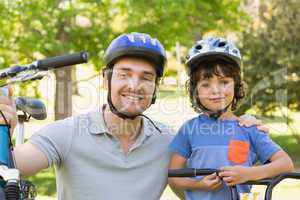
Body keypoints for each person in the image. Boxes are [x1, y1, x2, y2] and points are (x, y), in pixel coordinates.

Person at [0, 33, 269, 200]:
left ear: (155, 88)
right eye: (124, 74)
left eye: (146, 78)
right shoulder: (68, 133)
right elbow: (11, 167)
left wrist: (244, 125)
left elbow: (199, 187)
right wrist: (4, 130)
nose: (135, 85)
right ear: (107, 80)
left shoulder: (168, 141)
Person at [168, 37, 294, 200]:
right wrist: (198, 185)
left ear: (236, 85)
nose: (215, 90)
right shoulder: (189, 129)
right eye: (205, 84)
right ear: (195, 90)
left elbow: (285, 164)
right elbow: (173, 176)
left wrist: (249, 173)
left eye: (224, 82)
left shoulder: (249, 128)